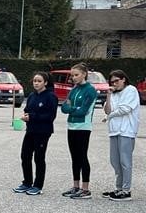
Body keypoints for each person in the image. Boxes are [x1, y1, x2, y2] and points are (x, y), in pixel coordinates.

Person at [13, 72, 58, 196]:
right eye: (34, 81)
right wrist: (26, 115)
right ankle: (27, 182)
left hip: (43, 131)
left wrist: (32, 117)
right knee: (25, 156)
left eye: (39, 81)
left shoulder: (51, 96)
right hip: (31, 130)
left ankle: (38, 185)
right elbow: (27, 109)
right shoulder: (32, 96)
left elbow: (50, 116)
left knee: (39, 158)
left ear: (45, 83)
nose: (36, 83)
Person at [60, 62, 98, 199]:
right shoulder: (74, 90)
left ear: (84, 74)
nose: (73, 78)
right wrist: (73, 109)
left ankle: (85, 189)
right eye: (72, 75)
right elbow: (64, 108)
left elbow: (83, 111)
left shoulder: (90, 90)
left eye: (76, 75)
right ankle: (75, 186)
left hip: (83, 127)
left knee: (82, 157)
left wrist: (72, 109)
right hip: (71, 126)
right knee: (74, 157)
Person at [102, 69, 140, 201]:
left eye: (116, 81)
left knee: (125, 161)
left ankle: (126, 190)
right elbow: (107, 110)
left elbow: (125, 109)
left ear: (123, 79)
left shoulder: (131, 90)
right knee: (115, 161)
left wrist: (109, 116)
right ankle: (118, 188)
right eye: (111, 82)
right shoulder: (113, 94)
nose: (114, 84)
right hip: (114, 130)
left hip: (126, 130)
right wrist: (108, 95)